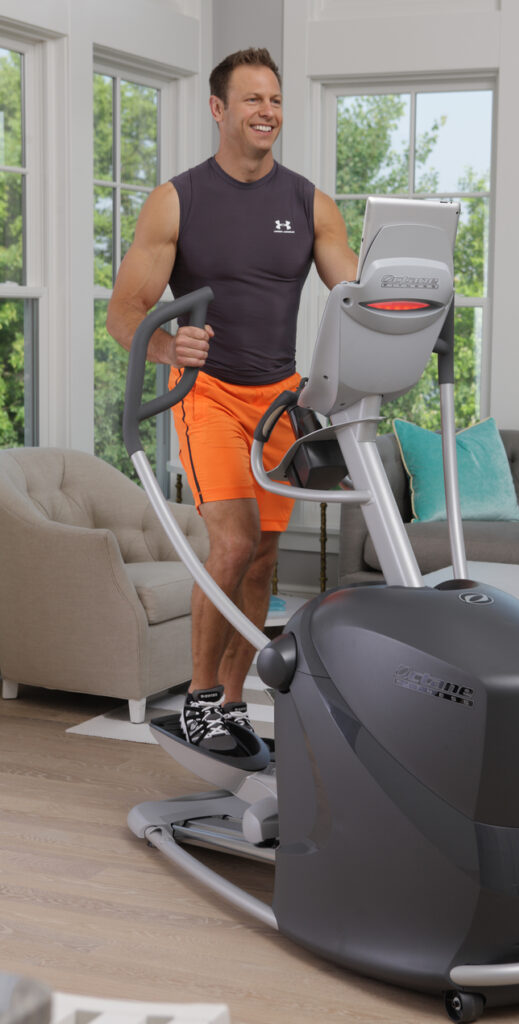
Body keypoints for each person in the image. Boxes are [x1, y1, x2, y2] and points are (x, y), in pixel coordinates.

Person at [107, 47, 358, 753]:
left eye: (274, 100)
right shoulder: (177, 198)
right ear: (218, 109)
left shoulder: (309, 202)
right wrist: (165, 349)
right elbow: (125, 312)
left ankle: (234, 700)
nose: (267, 113)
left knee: (263, 554)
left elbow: (353, 295)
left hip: (280, 397)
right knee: (234, 541)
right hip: (207, 391)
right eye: (252, 100)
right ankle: (197, 699)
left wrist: (400, 307)